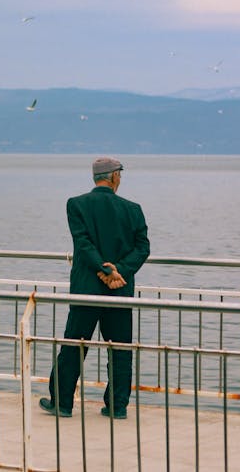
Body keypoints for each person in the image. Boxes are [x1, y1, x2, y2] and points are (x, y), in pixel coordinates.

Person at [39, 156, 150, 420]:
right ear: (114, 177)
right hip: (119, 291)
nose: (120, 180)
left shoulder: (76, 205)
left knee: (73, 347)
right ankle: (117, 406)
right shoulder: (133, 209)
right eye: (120, 175)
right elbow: (143, 247)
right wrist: (119, 270)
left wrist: (105, 268)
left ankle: (63, 403)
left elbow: (83, 243)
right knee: (120, 349)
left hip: (86, 290)